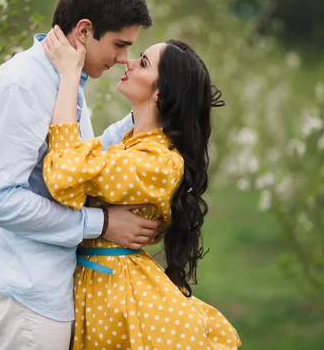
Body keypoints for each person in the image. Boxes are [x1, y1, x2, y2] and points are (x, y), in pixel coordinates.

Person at [0, 0, 161, 350]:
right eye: (120, 44)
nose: (125, 59)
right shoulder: (24, 83)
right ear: (85, 30)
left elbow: (77, 162)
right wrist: (102, 222)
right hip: (25, 287)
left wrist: (150, 112)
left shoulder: (64, 78)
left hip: (45, 283)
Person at [41, 25, 242, 349]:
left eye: (144, 63)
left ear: (160, 93)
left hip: (120, 299)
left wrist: (68, 76)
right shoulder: (132, 144)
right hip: (101, 285)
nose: (129, 63)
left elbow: (63, 173)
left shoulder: (159, 162)